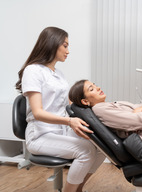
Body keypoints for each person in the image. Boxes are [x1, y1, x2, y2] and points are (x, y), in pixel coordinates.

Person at [15, 27, 105, 192]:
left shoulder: (58, 74)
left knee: (102, 146)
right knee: (85, 151)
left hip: (61, 131)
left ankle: (78, 188)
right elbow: (38, 113)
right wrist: (70, 121)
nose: (68, 51)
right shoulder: (33, 70)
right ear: (52, 44)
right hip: (40, 135)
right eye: (65, 45)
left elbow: (67, 103)